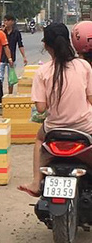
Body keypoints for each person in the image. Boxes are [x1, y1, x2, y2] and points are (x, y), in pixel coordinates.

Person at [19, 23, 92, 196]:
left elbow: (41, 108)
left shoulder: (43, 71)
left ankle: (36, 182)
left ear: (45, 44)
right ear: (69, 42)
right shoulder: (84, 66)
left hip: (54, 128)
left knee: (38, 139)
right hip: (85, 127)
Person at [0, 14, 28, 94]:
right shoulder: (1, 32)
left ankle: (10, 94)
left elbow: (20, 45)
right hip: (1, 58)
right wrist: (1, 31)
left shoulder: (16, 33)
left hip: (12, 58)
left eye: (7, 20)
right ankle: (0, 95)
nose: (5, 22)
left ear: (12, 22)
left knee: (10, 78)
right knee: (0, 77)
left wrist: (24, 57)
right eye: (4, 20)